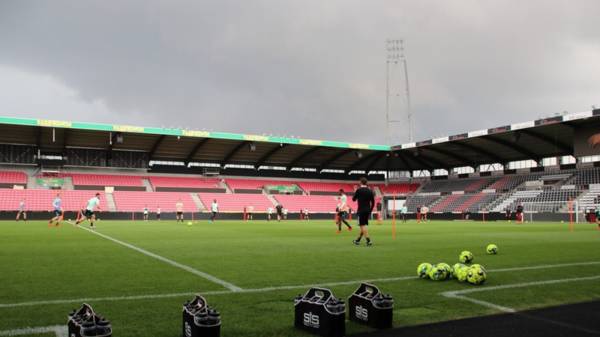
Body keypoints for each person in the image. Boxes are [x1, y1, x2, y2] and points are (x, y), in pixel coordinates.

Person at [352, 177, 375, 246]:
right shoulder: (370, 191)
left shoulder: (359, 190)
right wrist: (370, 210)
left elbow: (353, 199)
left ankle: (368, 240)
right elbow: (373, 202)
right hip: (367, 210)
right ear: (366, 183)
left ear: (360, 182)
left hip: (361, 210)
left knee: (362, 226)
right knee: (363, 225)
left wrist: (355, 192)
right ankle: (357, 240)